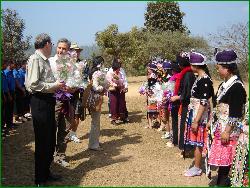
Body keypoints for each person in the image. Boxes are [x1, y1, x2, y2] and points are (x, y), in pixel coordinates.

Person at [25, 33, 65, 186]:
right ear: (47, 44)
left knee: (49, 139)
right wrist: (54, 86)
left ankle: (46, 172)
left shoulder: (44, 60)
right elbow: (33, 84)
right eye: (52, 44)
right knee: (42, 141)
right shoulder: (35, 59)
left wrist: (57, 85)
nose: (53, 46)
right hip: (40, 102)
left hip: (48, 100)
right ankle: (39, 178)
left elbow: (44, 81)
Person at [208, 49, 247, 186]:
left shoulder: (236, 87)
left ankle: (223, 183)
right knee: (222, 163)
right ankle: (221, 182)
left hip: (229, 131)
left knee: (227, 163)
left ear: (228, 69)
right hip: (222, 128)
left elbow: (235, 113)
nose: (217, 70)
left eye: (218, 67)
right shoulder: (224, 85)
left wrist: (227, 131)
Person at [183, 52, 214, 177]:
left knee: (198, 141)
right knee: (195, 140)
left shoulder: (205, 80)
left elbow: (204, 102)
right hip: (195, 112)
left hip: (199, 116)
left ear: (195, 65)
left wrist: (196, 120)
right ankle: (196, 166)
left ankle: (197, 167)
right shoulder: (200, 78)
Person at [49, 38, 74, 167]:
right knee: (51, 128)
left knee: (65, 129)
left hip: (66, 101)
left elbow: (75, 82)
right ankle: (49, 155)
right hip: (52, 101)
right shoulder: (50, 62)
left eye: (64, 48)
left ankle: (60, 155)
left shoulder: (71, 64)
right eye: (59, 47)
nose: (61, 50)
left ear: (68, 50)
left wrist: (71, 87)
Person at [170, 52, 196, 155]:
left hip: (187, 104)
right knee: (183, 126)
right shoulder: (185, 74)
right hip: (184, 104)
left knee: (185, 127)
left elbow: (188, 93)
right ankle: (184, 149)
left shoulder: (188, 75)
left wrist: (177, 97)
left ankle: (186, 150)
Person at [67, 42, 86, 142]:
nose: (76, 53)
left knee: (77, 114)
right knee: (67, 116)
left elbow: (84, 79)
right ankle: (66, 133)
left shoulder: (81, 64)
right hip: (66, 94)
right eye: (74, 51)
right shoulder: (65, 63)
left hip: (77, 93)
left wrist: (81, 85)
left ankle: (73, 134)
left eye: (78, 51)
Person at [87, 56, 107, 151]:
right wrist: (103, 88)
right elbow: (95, 87)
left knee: (95, 121)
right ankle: (93, 144)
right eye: (102, 63)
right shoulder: (96, 73)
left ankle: (95, 141)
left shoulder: (93, 71)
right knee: (95, 122)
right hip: (96, 98)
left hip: (94, 97)